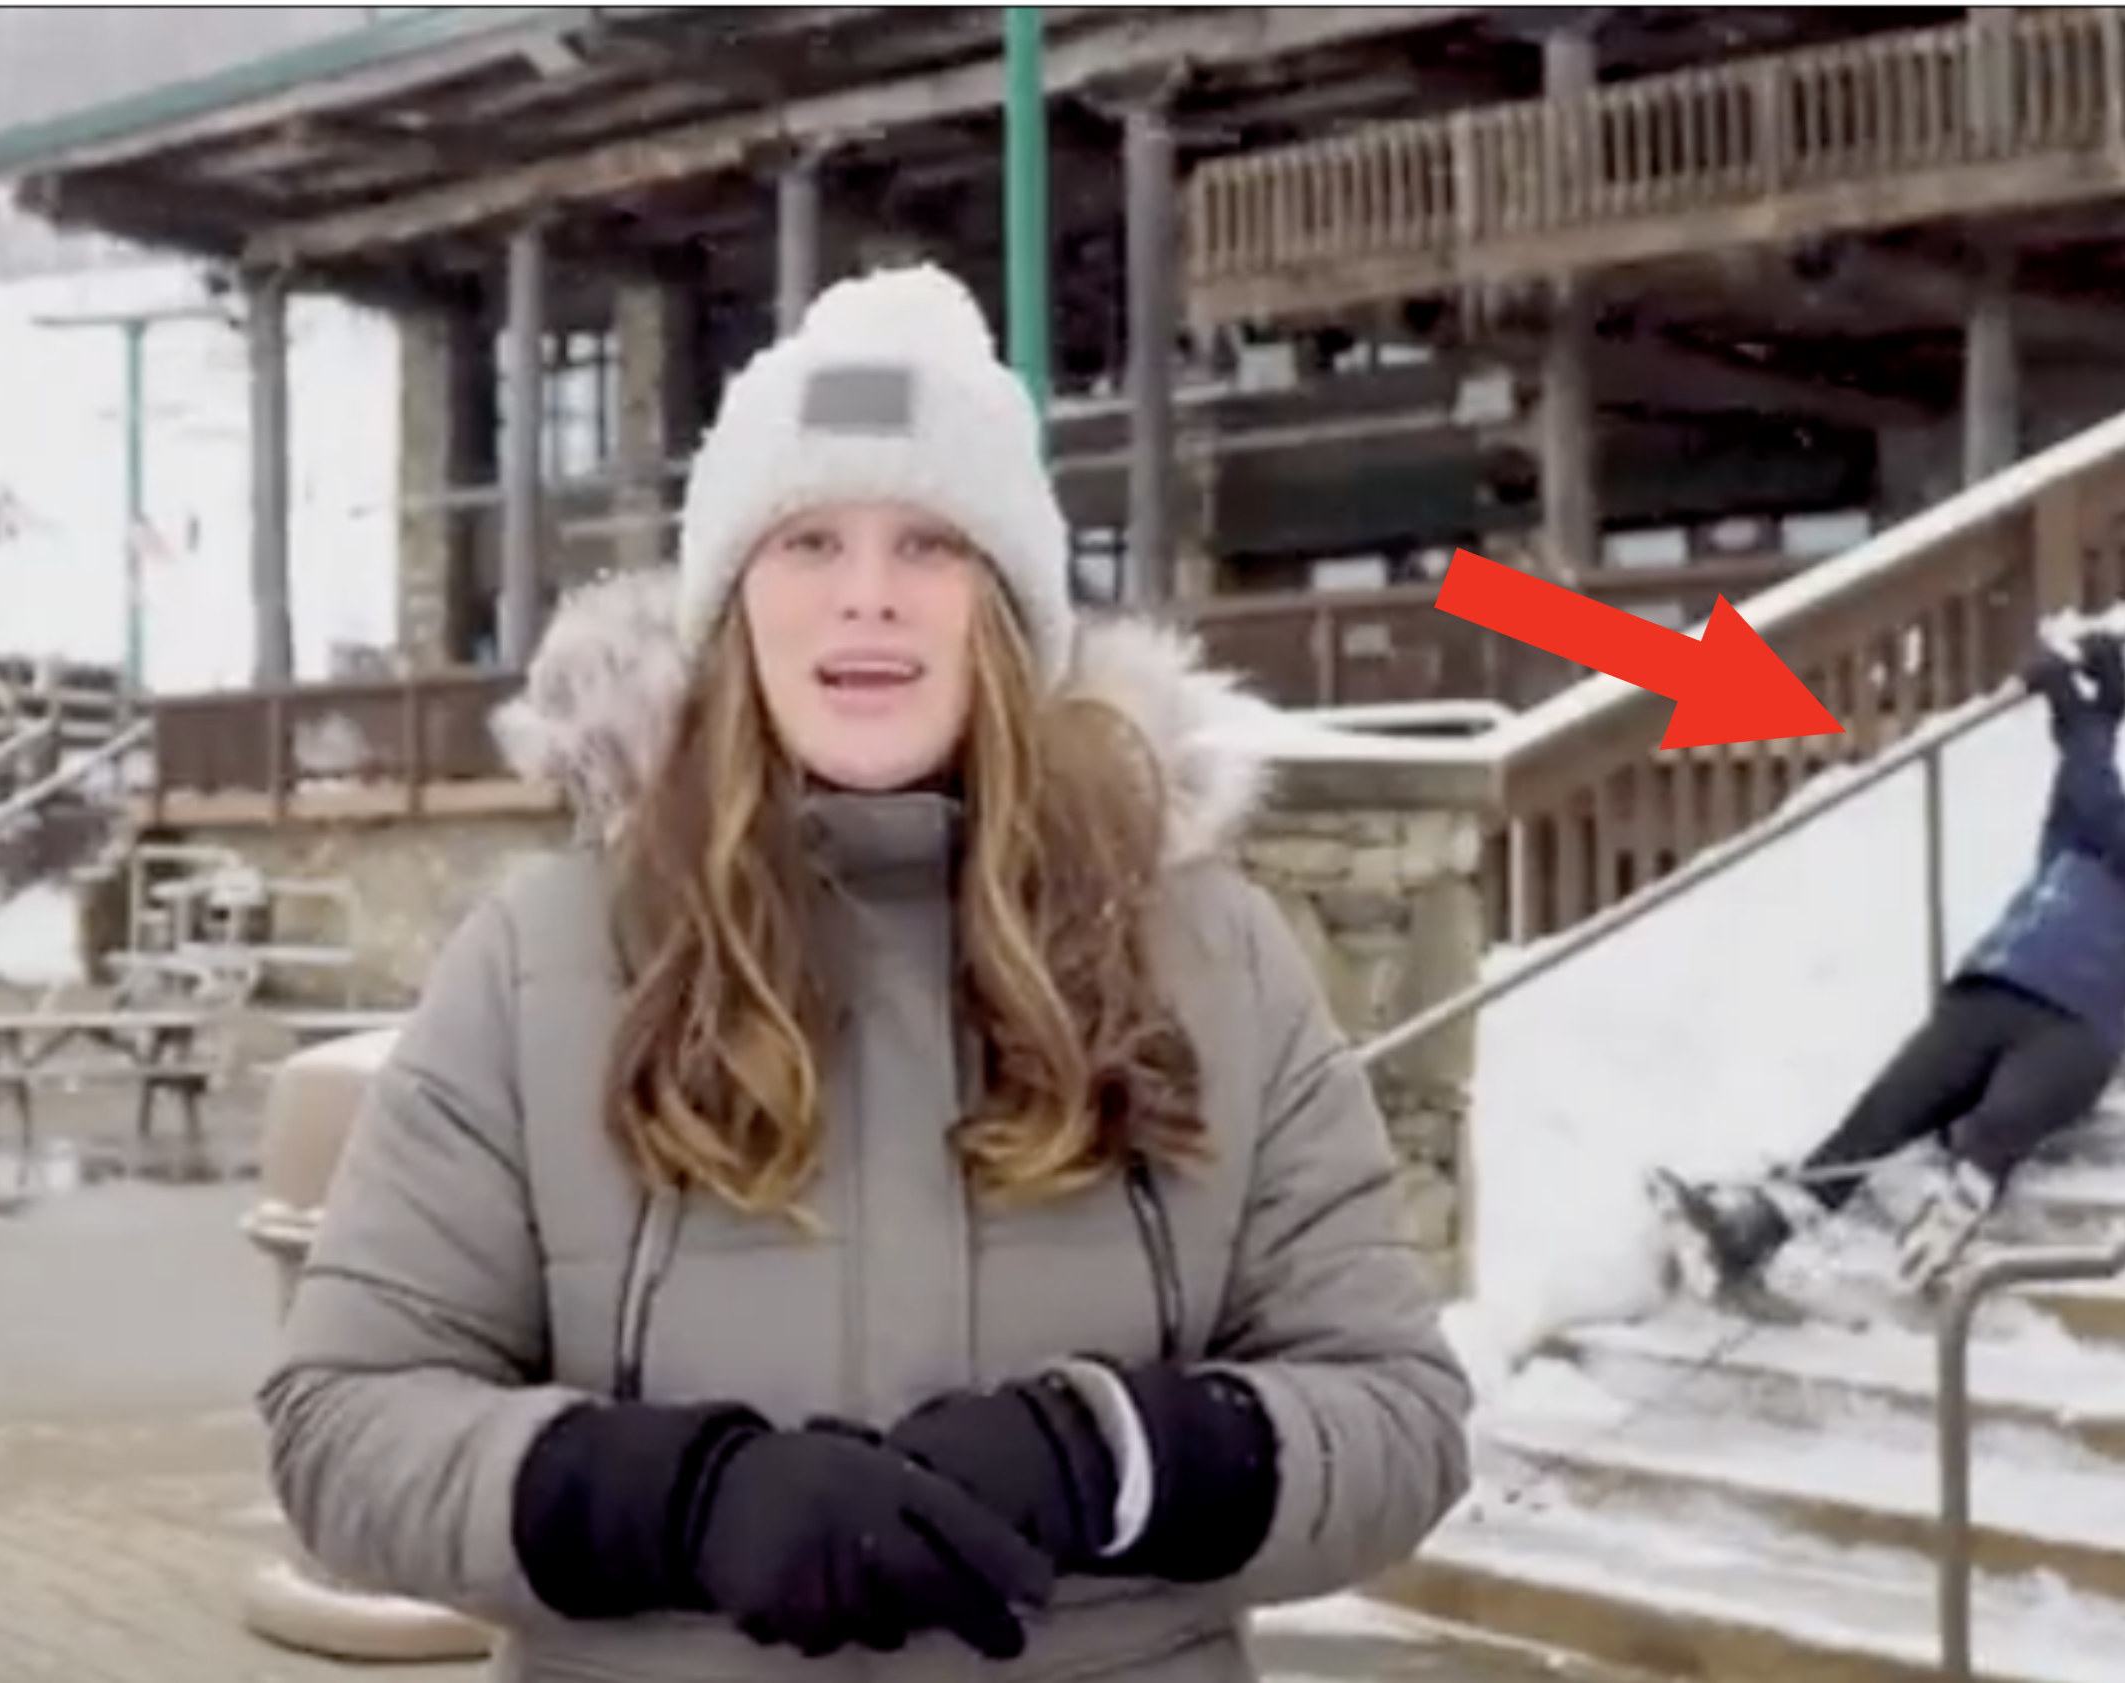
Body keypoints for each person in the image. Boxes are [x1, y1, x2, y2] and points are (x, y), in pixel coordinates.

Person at [256, 264, 1474, 1679]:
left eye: (932, 546)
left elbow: (1397, 1412)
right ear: (731, 601)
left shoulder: (1212, 953)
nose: (870, 600)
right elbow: (340, 1423)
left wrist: (1121, 1457)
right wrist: (675, 1497)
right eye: (810, 542)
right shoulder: (542, 959)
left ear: (1008, 605)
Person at [1664, 630, 2125, 1297]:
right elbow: (2082, 794)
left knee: (2000, 1123)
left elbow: (2101, 802)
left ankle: (1953, 1210)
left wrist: (2075, 714)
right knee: (1873, 1123)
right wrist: (2101, 720)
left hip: (2073, 1021)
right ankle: (1750, 1235)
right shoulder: (2070, 857)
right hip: (1985, 994)